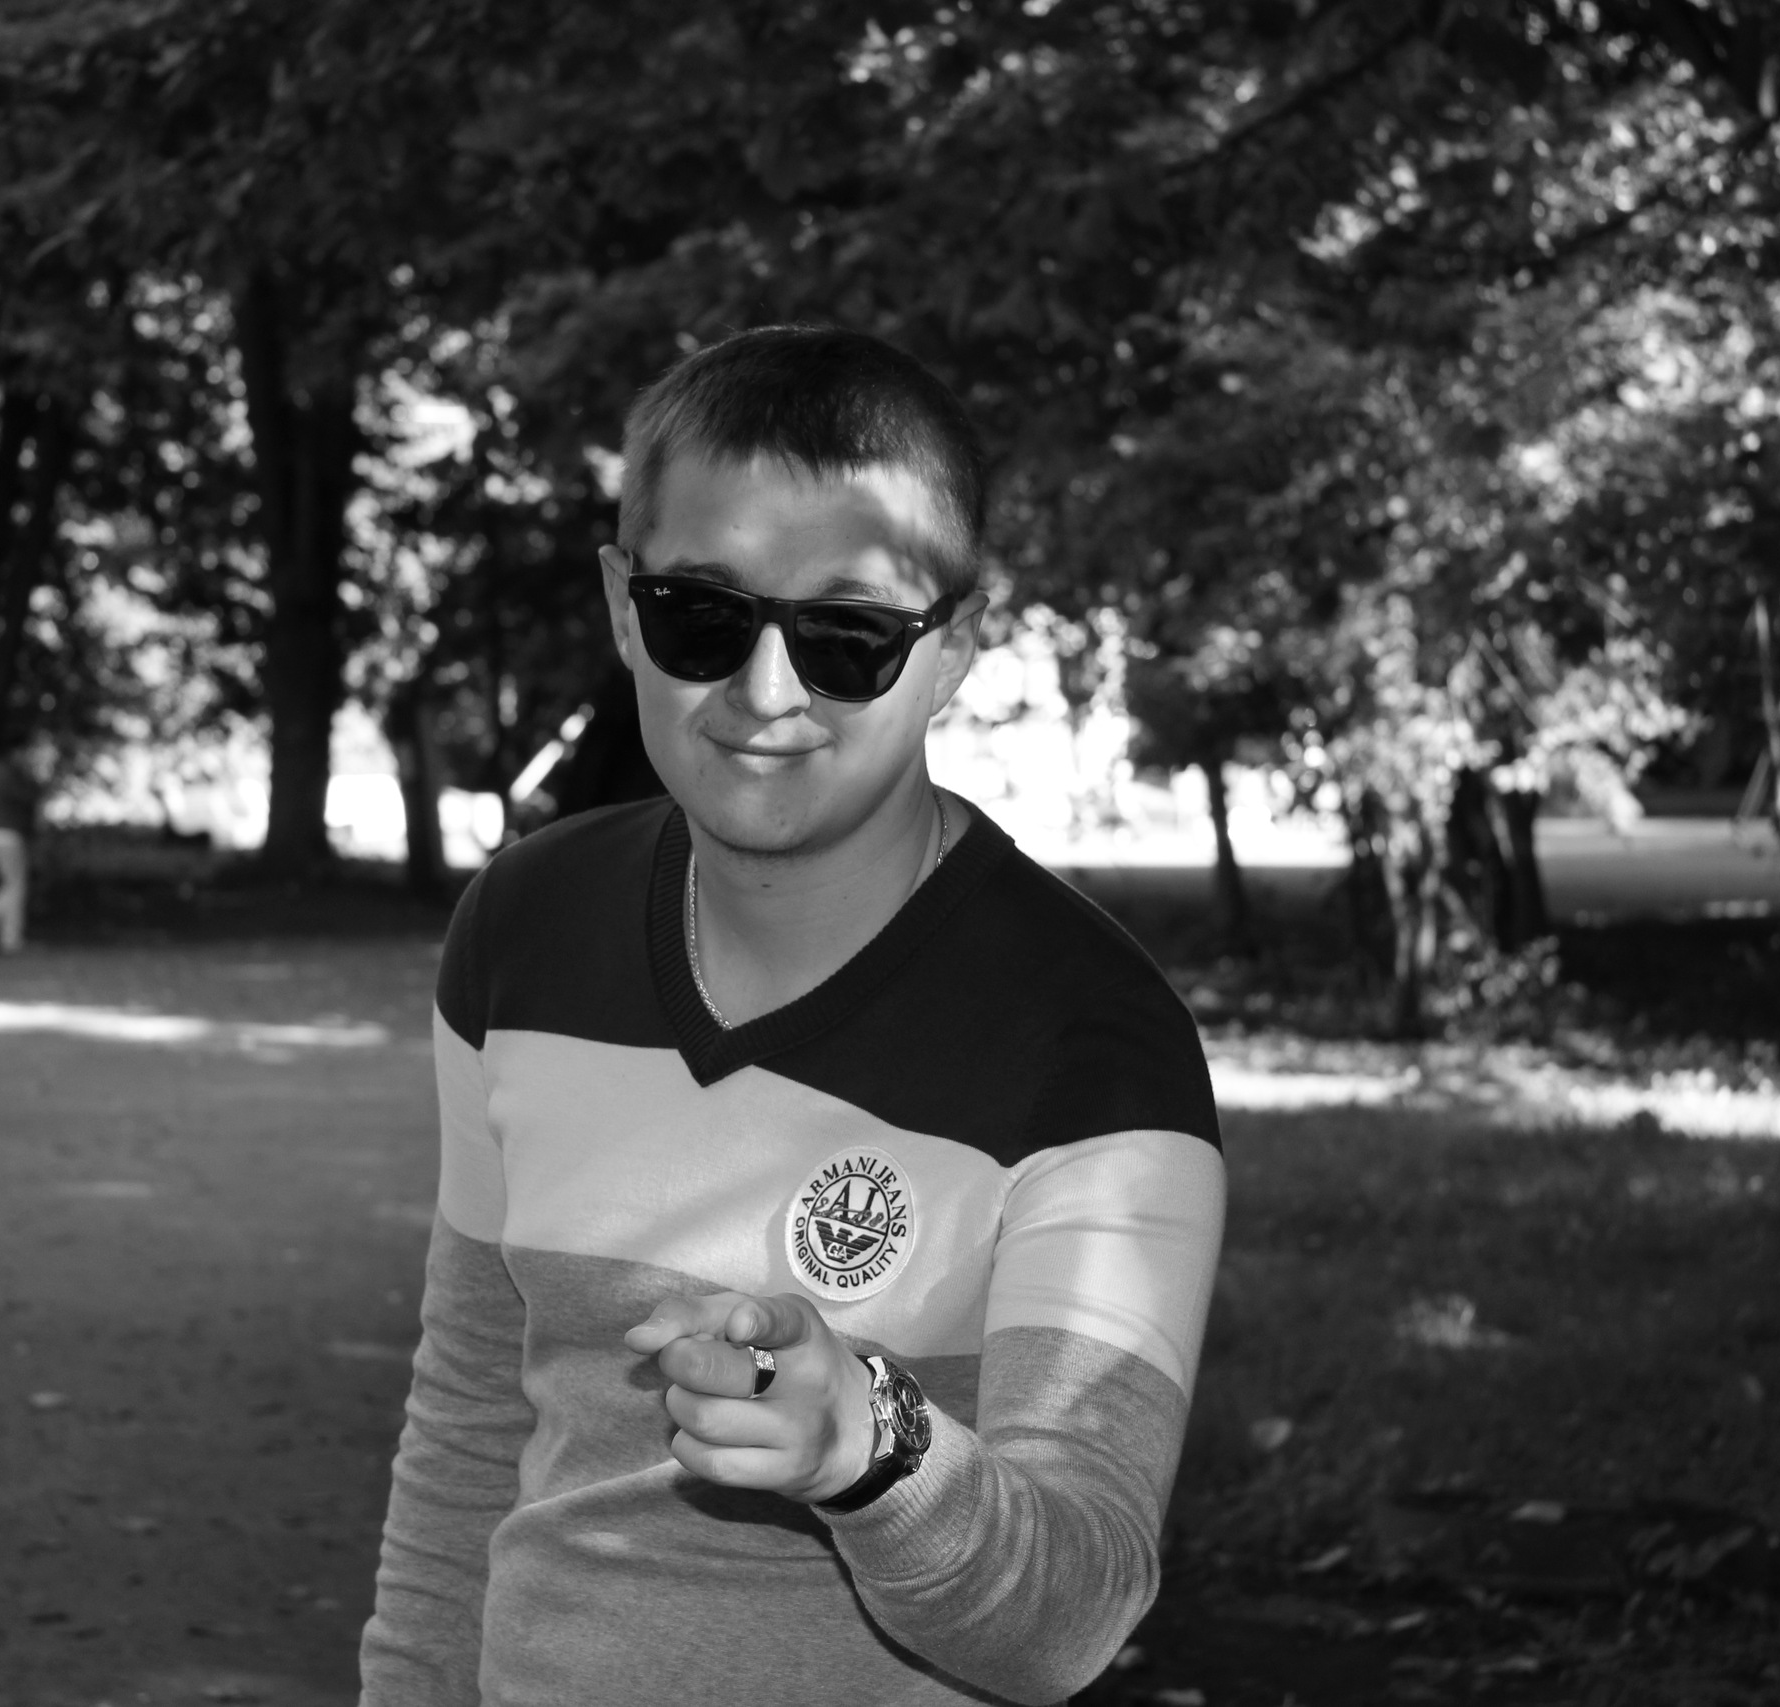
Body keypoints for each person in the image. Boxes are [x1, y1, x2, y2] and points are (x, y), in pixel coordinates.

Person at [357, 326, 1227, 1707]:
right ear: (623, 605)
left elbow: (1072, 1613)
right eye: (703, 614)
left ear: (956, 647)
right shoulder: (524, 930)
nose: (766, 693)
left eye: (847, 637)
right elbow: (468, 1422)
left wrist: (873, 1448)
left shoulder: (1094, 1043)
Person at [0, 734, 47, 953]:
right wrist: (33, 776)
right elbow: (31, 796)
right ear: (16, 752)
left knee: (11, 884)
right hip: (6, 834)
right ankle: (1, 934)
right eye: (26, 752)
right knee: (16, 886)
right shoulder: (11, 774)